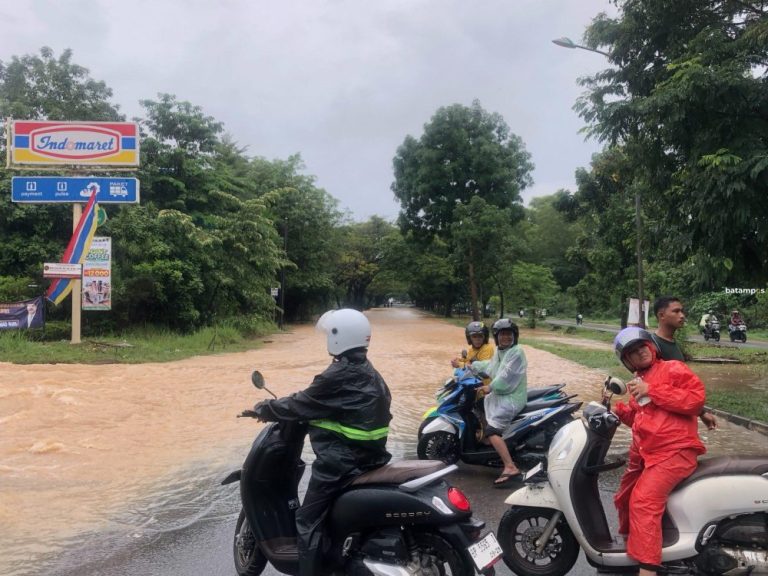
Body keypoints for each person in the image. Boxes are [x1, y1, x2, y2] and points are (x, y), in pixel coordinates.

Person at [251, 309, 392, 576]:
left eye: (329, 333)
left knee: (307, 520)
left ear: (339, 336)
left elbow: (303, 402)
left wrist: (266, 408)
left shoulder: (338, 374)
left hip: (341, 463)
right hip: (371, 458)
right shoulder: (370, 372)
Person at [609, 327, 706, 576]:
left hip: (675, 451)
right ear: (627, 361)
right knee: (624, 496)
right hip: (650, 453)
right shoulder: (638, 382)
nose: (640, 352)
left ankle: (648, 567)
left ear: (651, 347)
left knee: (643, 502)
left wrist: (652, 390)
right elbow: (641, 419)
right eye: (632, 352)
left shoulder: (673, 368)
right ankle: (634, 548)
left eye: (642, 346)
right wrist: (617, 411)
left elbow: (695, 400)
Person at [471, 318, 527, 487]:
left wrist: (490, 387)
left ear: (514, 336)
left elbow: (506, 376)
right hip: (501, 395)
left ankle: (510, 466)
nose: (506, 337)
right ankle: (490, 442)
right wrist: (472, 365)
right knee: (479, 405)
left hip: (512, 397)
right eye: (502, 334)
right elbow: (491, 366)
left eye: (509, 334)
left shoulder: (517, 352)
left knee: (492, 430)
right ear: (496, 337)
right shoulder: (500, 351)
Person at [652, 296, 717, 430]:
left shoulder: (673, 343)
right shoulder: (652, 346)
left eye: (682, 311)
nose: (682, 315)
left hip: (678, 419)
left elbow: (680, 386)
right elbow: (654, 390)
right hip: (663, 424)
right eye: (676, 311)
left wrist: (701, 412)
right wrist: (701, 412)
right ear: (661, 315)